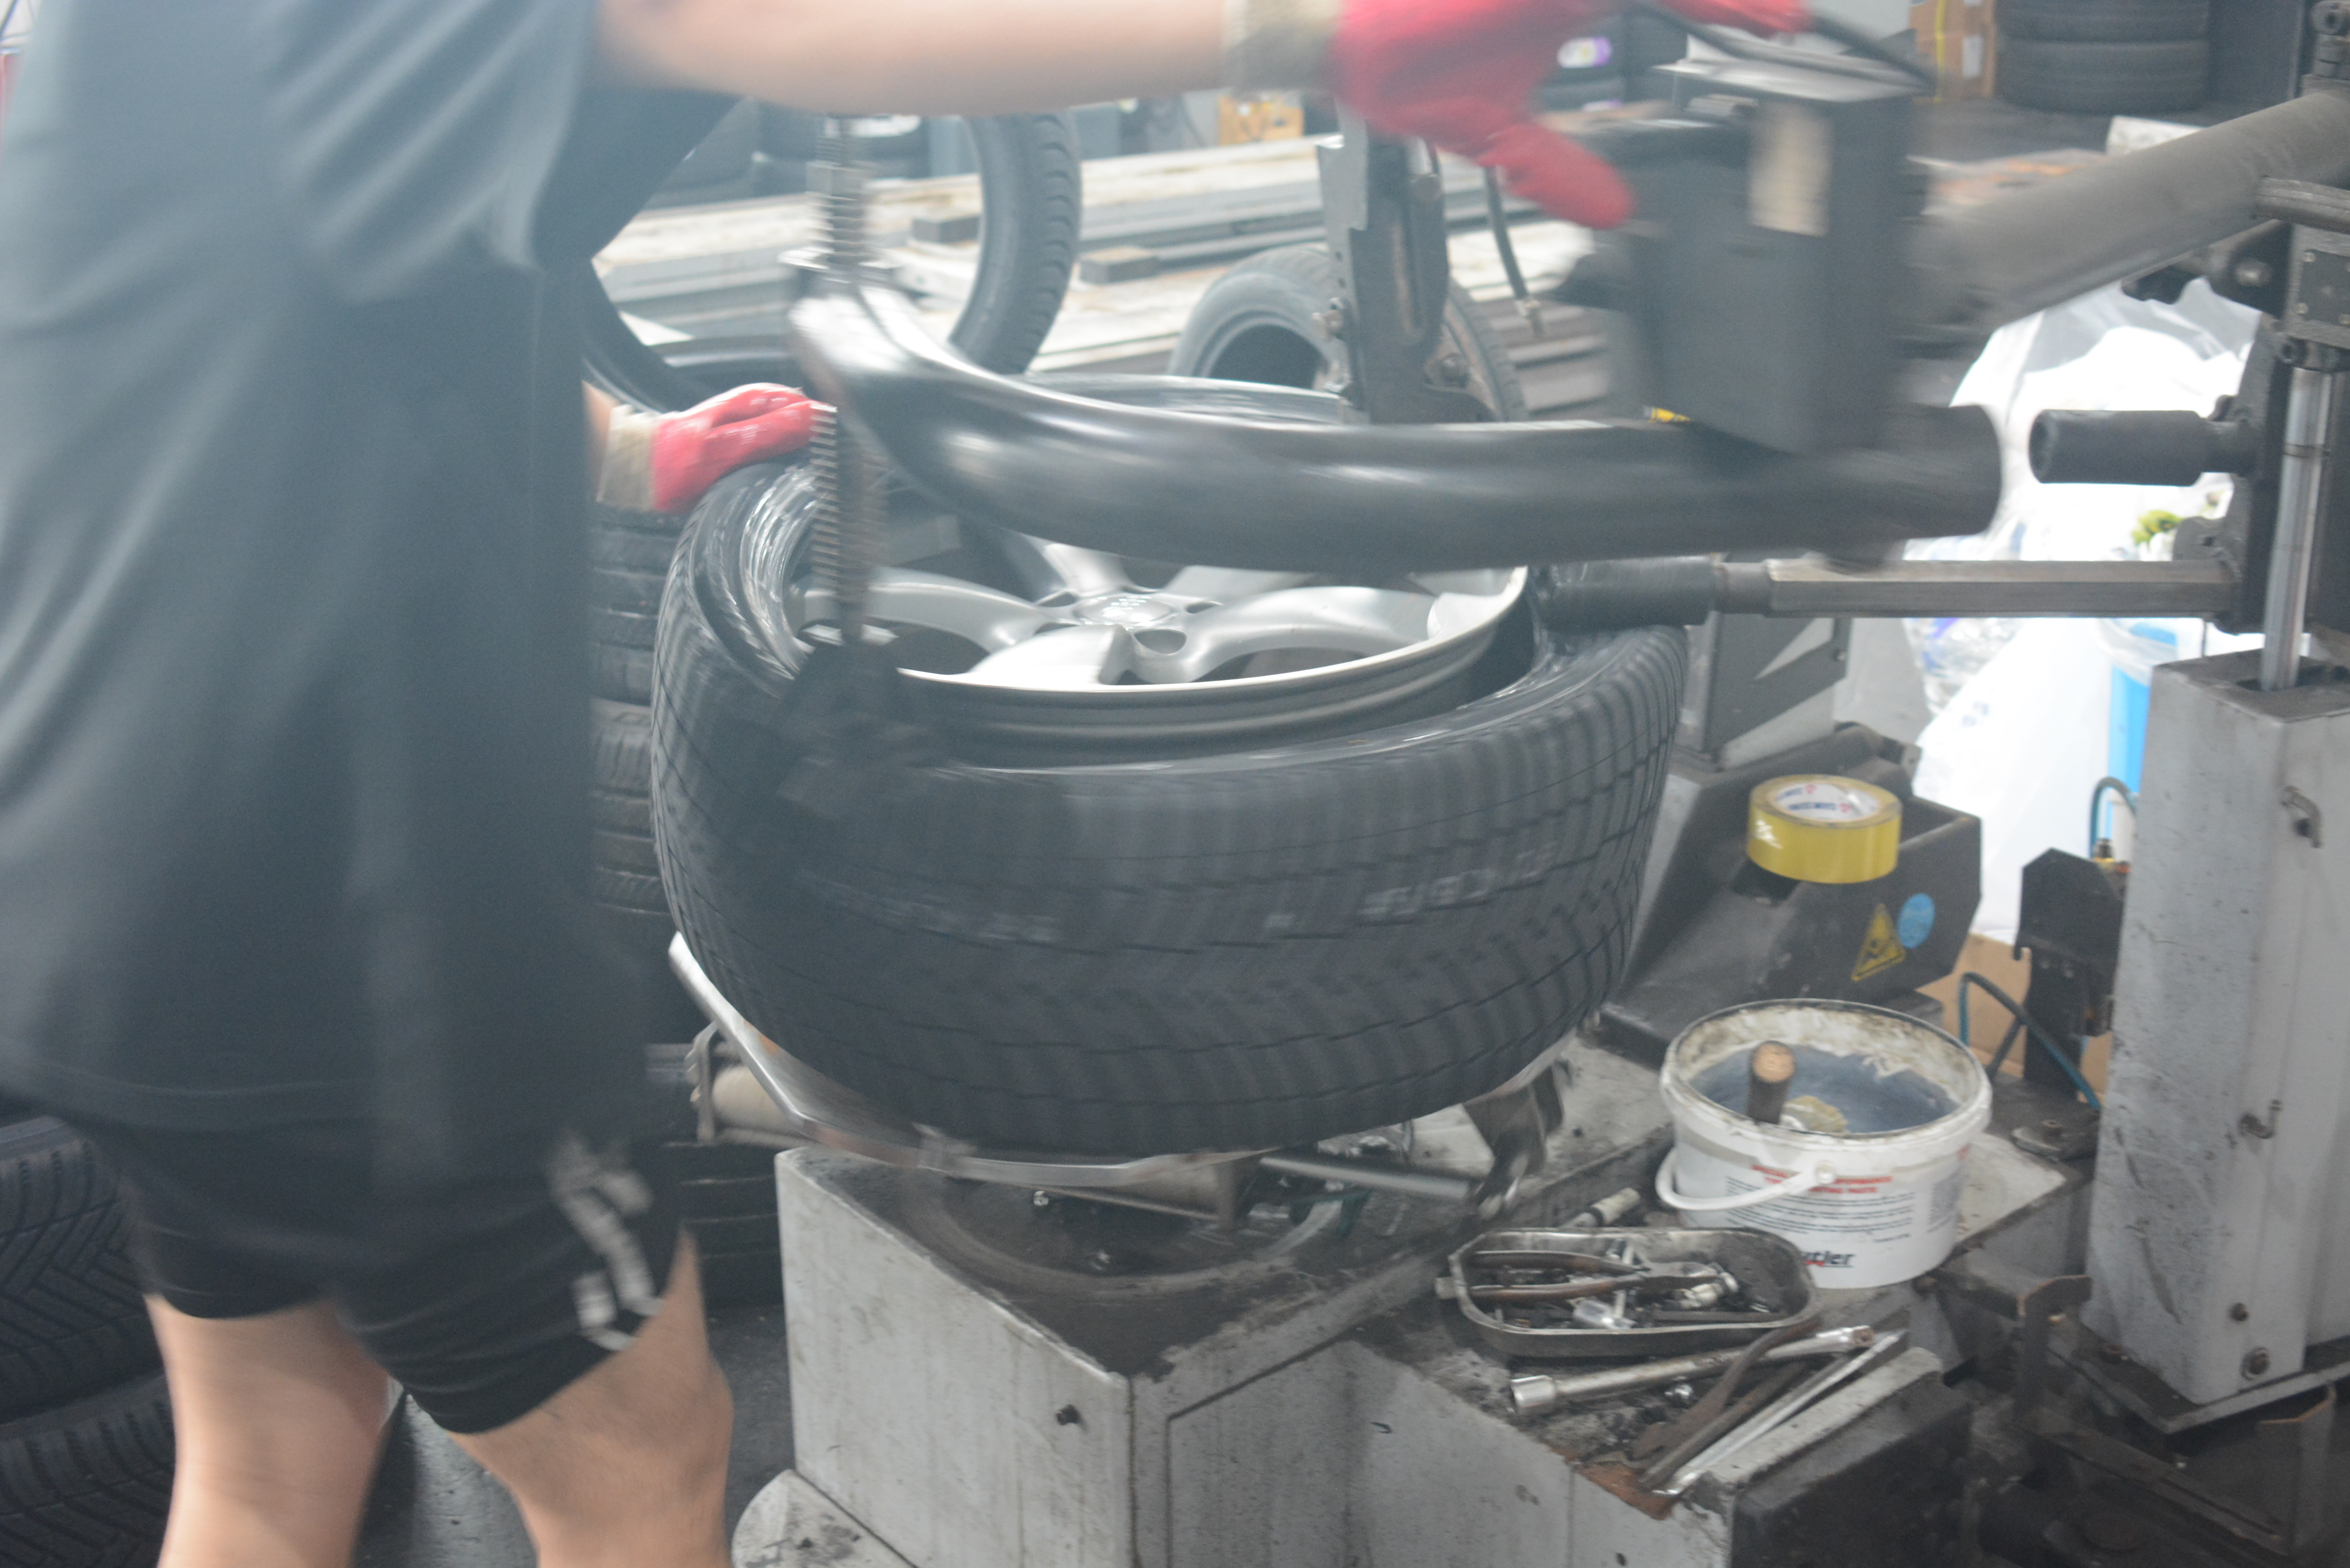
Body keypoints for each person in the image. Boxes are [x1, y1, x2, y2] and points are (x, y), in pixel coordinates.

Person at [0, 1, 1800, 1564]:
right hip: (358, 943)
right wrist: (1316, 29)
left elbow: (305, 283)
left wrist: (621, 457)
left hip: (98, 894)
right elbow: (771, 20)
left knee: (270, 1453)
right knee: (640, 1469)